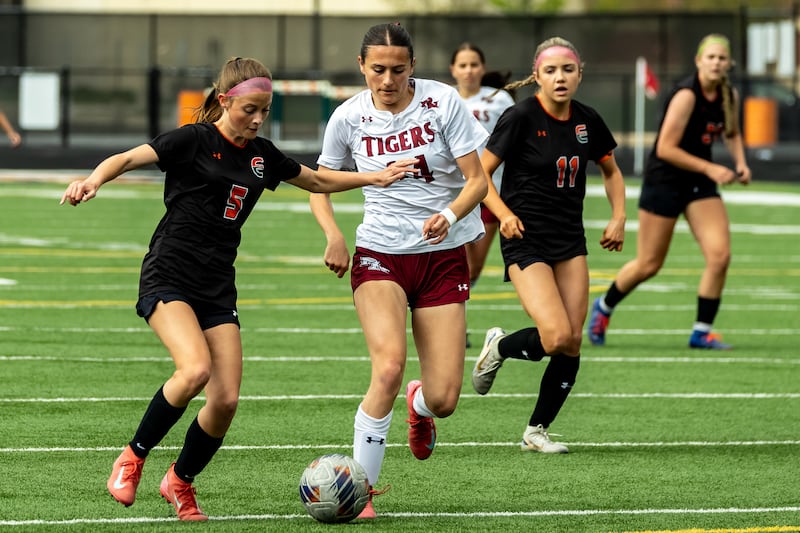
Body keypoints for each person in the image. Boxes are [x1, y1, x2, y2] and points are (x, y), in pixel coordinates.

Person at [60, 56, 414, 522]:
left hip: (217, 286)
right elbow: (127, 158)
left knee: (225, 400)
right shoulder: (194, 140)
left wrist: (374, 176)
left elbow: (315, 179)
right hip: (169, 274)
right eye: (250, 109)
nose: (258, 118)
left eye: (264, 110)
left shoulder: (263, 155)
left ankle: (179, 481)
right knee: (194, 370)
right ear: (225, 101)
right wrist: (92, 180)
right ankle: (133, 457)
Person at [309, 23, 489, 518]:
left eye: (398, 70)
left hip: (441, 255)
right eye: (377, 70)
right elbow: (319, 183)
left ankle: (419, 406)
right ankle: (360, 492)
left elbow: (477, 181)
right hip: (379, 253)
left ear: (413, 67)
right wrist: (334, 235)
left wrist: (449, 214)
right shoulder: (348, 116)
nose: (388, 80)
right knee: (388, 366)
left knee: (445, 398)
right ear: (361, 67)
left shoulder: (443, 102)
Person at [471, 37, 626, 453]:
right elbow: (481, 176)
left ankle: (536, 431)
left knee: (572, 341)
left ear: (580, 74)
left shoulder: (588, 120)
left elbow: (611, 171)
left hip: (569, 241)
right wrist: (504, 214)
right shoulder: (520, 117)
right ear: (537, 76)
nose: (560, 77)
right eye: (551, 70)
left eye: (568, 70)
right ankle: (500, 347)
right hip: (525, 239)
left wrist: (618, 216)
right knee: (555, 337)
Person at [587, 33, 751, 350]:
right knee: (649, 264)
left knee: (720, 256)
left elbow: (731, 132)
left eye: (722, 58)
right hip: (665, 181)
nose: (716, 63)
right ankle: (604, 306)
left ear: (729, 63)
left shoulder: (728, 95)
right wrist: (711, 168)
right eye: (711, 57)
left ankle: (701, 332)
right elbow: (665, 148)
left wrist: (741, 164)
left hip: (698, 184)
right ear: (699, 61)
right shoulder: (687, 95)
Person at [449, 43, 515, 347]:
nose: (469, 70)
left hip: (490, 191)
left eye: (474, 64)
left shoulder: (499, 99)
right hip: (453, 191)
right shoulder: (444, 98)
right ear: (453, 70)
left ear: (483, 68)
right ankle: (453, 323)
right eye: (462, 65)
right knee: (457, 260)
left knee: (474, 267)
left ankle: (453, 313)